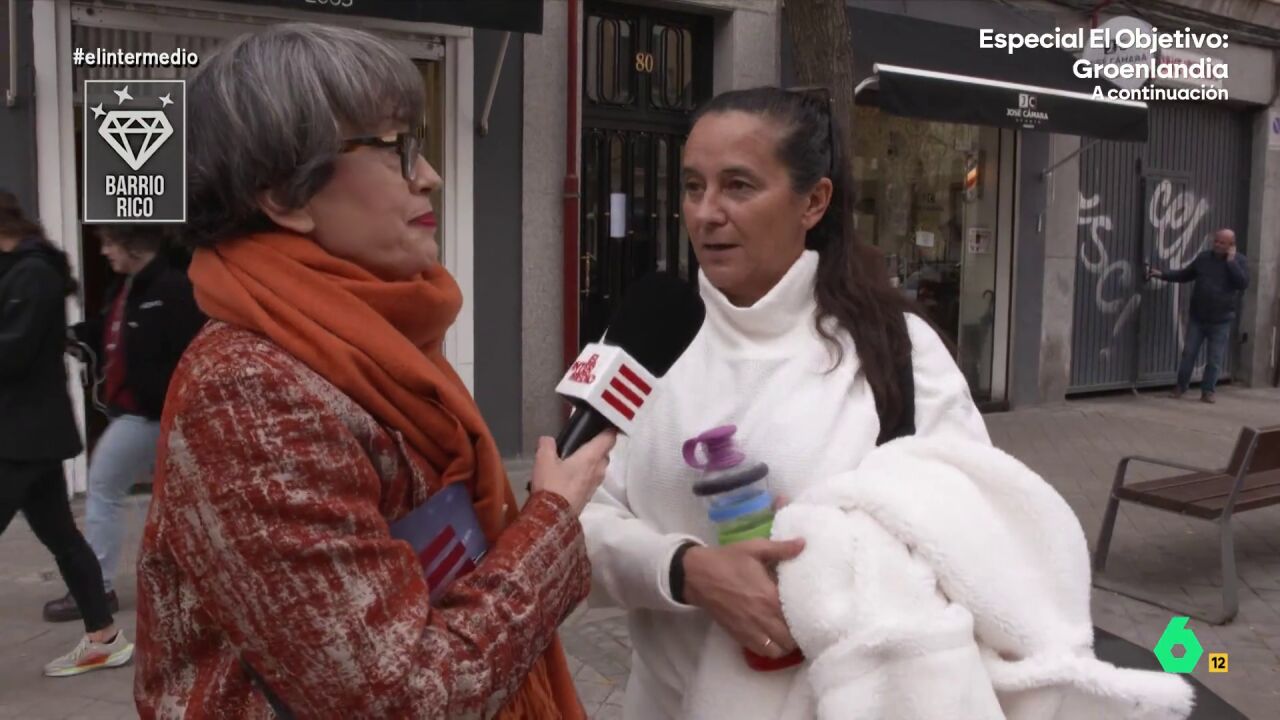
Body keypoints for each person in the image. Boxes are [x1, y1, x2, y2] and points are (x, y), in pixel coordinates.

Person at [133, 23, 614, 719]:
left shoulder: (369, 335)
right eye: (394, 147)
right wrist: (553, 522)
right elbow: (398, 697)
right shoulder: (247, 389)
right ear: (283, 195)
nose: (429, 175)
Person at [579, 88, 990, 718]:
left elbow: (971, 533)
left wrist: (826, 562)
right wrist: (684, 570)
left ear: (813, 201)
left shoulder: (895, 349)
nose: (706, 213)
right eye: (693, 187)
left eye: (738, 186)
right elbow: (569, 522)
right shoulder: (645, 337)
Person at [0, 190, 135, 677]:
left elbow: (13, 353)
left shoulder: (32, 275)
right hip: (27, 433)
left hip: (20, 435)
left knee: (64, 538)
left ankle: (104, 638)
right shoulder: (20, 271)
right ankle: (104, 637)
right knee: (63, 537)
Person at [42, 225, 205, 623]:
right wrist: (71, 336)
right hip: (138, 411)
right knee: (175, 498)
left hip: (152, 414)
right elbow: (108, 328)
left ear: (134, 246)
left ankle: (97, 587)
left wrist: (173, 405)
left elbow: (190, 350)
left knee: (103, 487)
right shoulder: (127, 286)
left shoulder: (172, 290)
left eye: (110, 244)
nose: (104, 252)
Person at [1148, 228, 1249, 403]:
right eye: (1216, 241)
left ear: (1231, 245)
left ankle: (1208, 392)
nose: (1217, 245)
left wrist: (1231, 262)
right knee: (1188, 353)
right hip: (1198, 317)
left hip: (1221, 319)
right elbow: (1185, 275)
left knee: (1214, 358)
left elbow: (1242, 283)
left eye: (1222, 243)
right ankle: (1181, 387)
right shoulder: (1204, 258)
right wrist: (1162, 274)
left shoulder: (1239, 261)